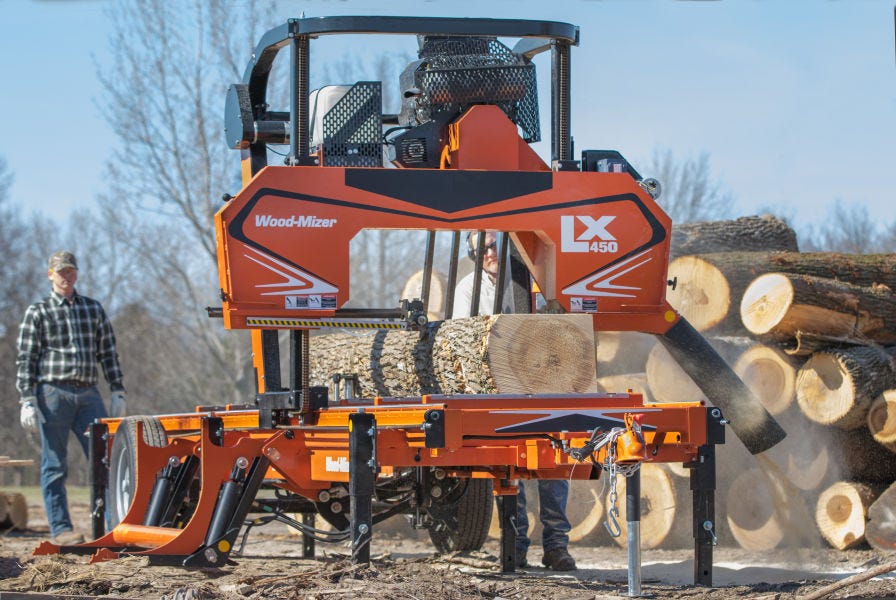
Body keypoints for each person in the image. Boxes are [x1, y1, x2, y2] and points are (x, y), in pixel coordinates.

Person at [452, 231, 577, 572]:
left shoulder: (532, 275)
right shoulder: (469, 288)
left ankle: (556, 547)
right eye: (481, 251)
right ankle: (516, 545)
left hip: (545, 383)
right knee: (509, 466)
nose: (489, 254)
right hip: (499, 388)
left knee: (553, 465)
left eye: (494, 246)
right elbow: (464, 336)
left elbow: (560, 320)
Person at [16, 250, 127, 546]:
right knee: (55, 464)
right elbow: (26, 358)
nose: (66, 277)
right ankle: (62, 528)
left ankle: (110, 525)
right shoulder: (37, 311)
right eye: (61, 272)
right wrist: (27, 398)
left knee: (104, 460)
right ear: (50, 274)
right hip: (52, 394)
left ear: (77, 274)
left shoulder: (93, 309)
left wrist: (117, 388)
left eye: (70, 271)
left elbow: (108, 352)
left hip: (89, 394)